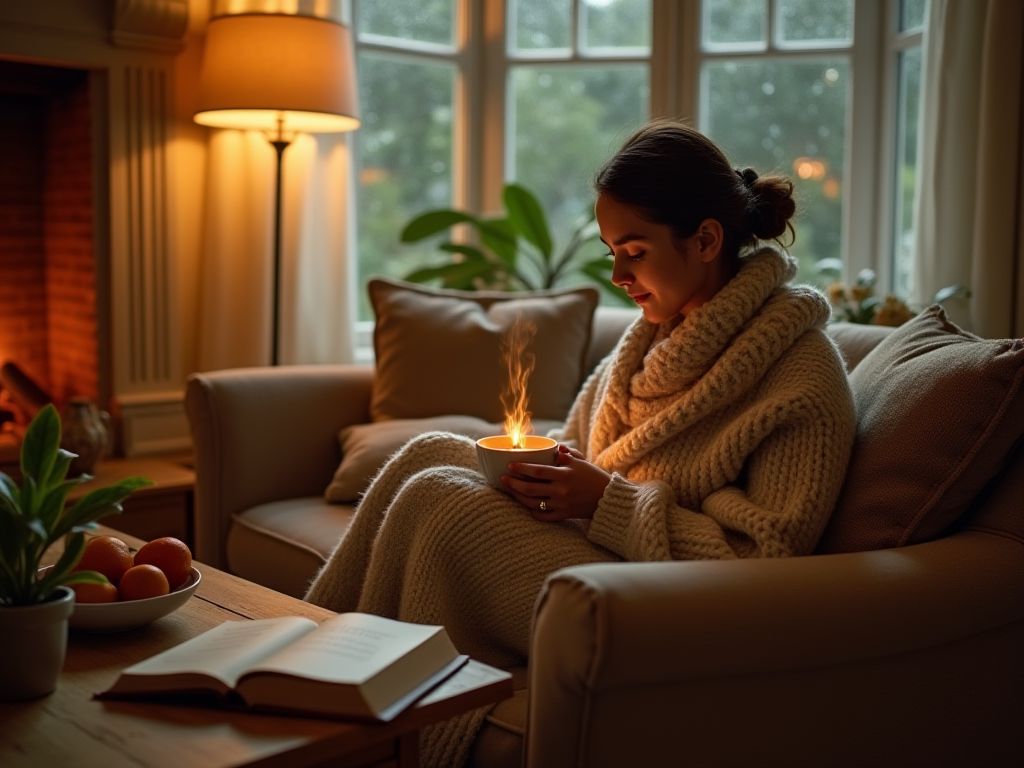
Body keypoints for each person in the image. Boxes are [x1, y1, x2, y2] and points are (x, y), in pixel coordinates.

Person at [305, 120, 856, 766]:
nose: (618, 274)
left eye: (635, 251)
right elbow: (577, 446)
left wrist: (607, 503)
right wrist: (548, 477)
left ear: (706, 239)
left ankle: (344, 725)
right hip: (598, 552)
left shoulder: (799, 373)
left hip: (671, 606)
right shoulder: (650, 340)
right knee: (430, 452)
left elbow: (767, 559)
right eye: (610, 251)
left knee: (443, 505)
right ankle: (300, 660)